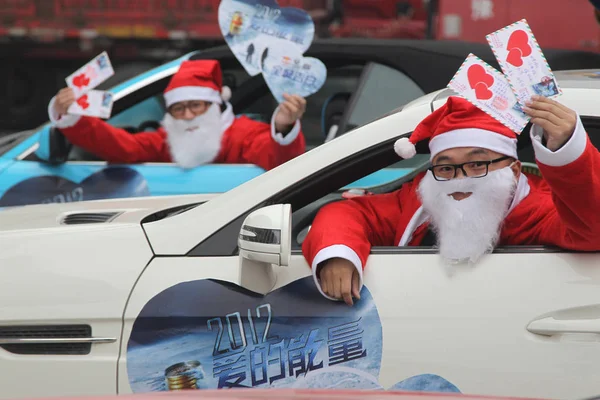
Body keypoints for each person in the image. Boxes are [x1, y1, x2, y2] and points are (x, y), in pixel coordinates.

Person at [302, 95, 600, 305]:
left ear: (514, 169)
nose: (460, 179)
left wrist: (568, 154)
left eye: (477, 164)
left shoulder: (536, 208)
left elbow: (591, 227)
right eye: (446, 167)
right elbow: (349, 213)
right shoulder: (421, 200)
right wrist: (337, 254)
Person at [49, 60, 306, 171]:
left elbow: (278, 158)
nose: (188, 116)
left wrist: (283, 126)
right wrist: (71, 116)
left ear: (215, 105)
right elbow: (122, 147)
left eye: (196, 105)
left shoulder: (244, 133)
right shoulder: (168, 140)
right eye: (178, 109)